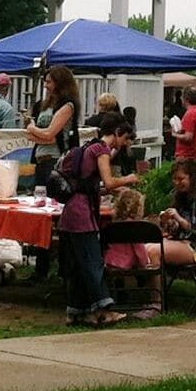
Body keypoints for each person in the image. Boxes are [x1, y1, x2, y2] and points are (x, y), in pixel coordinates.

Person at [60, 114, 139, 327]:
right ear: (117, 133)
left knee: (78, 264)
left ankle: (76, 312)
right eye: (125, 138)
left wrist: (110, 187)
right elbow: (109, 181)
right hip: (82, 215)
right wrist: (129, 179)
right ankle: (104, 311)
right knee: (93, 262)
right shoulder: (101, 150)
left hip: (71, 211)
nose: (124, 144)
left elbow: (93, 184)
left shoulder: (89, 147)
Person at [21, 65, 80, 280]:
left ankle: (62, 267)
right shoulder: (43, 105)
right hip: (41, 159)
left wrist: (33, 129)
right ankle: (41, 265)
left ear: (60, 83)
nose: (45, 85)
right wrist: (37, 132)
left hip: (57, 163)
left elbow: (51, 134)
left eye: (49, 82)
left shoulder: (67, 106)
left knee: (57, 213)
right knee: (41, 214)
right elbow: (39, 137)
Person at [172, 88, 196, 162]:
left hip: (186, 156)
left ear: (186, 99)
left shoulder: (190, 114)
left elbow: (188, 137)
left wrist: (174, 134)